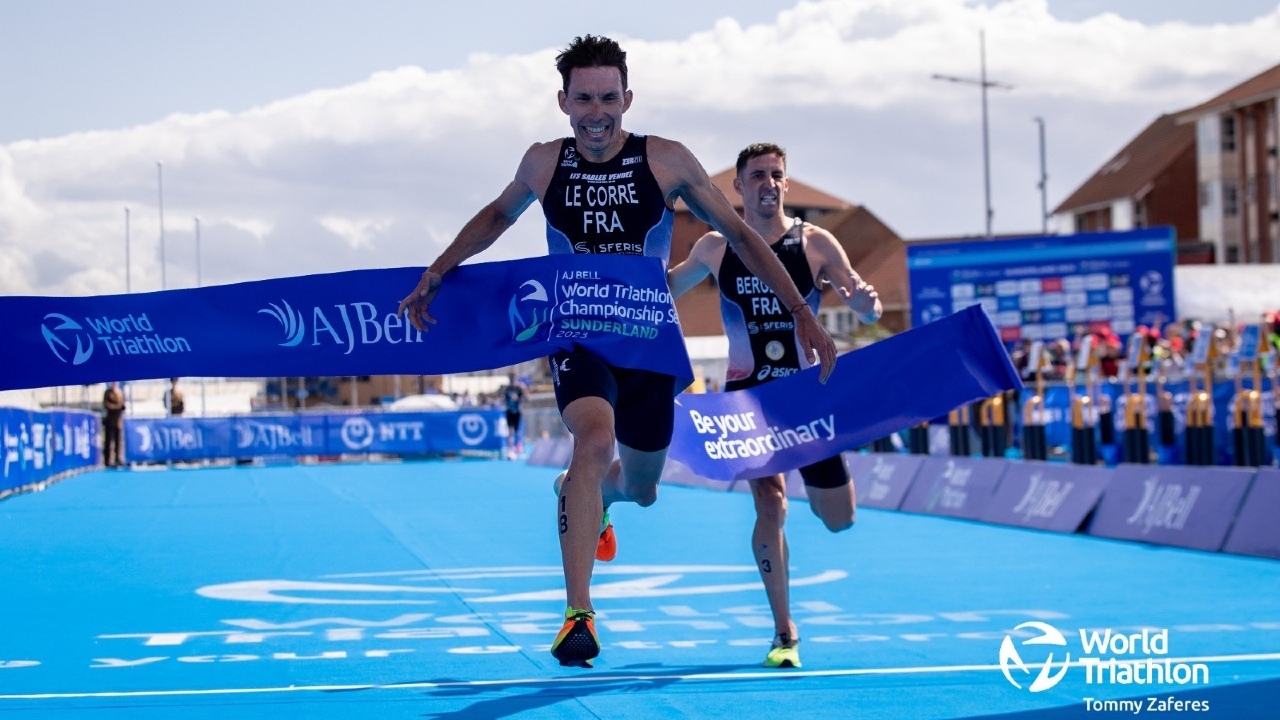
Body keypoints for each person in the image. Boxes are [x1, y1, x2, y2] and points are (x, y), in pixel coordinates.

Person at [398, 37, 836, 668]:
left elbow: (738, 233)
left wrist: (805, 317)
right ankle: (578, 614)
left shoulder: (665, 160)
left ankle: (594, 498)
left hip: (651, 342)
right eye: (583, 98)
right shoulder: (546, 163)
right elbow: (498, 215)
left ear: (627, 99)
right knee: (593, 441)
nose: (596, 112)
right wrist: (440, 268)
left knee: (641, 486)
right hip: (577, 334)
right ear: (563, 102)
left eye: (608, 97)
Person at [667, 143, 880, 669]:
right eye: (757, 175)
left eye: (777, 174)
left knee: (840, 519)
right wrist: (616, 287)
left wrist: (862, 300)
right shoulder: (718, 247)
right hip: (749, 398)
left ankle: (786, 618)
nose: (769, 182)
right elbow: (669, 287)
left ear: (786, 183)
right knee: (771, 504)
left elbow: (859, 297)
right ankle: (784, 630)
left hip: (807, 398)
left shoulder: (816, 242)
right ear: (737, 187)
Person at [500, 371, 527, 458]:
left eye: (513, 377)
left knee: (517, 431)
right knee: (510, 431)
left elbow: (527, 398)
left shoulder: (519, 388)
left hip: (517, 412)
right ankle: (511, 450)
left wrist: (524, 389)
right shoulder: (507, 389)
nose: (511, 379)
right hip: (509, 412)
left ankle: (518, 447)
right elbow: (503, 399)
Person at [102, 382, 125, 468]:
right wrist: (117, 407)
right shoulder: (108, 392)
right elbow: (106, 404)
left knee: (118, 441)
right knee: (108, 441)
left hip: (118, 421)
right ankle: (108, 460)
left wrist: (121, 407)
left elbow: (122, 404)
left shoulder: (120, 392)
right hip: (110, 420)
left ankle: (118, 459)